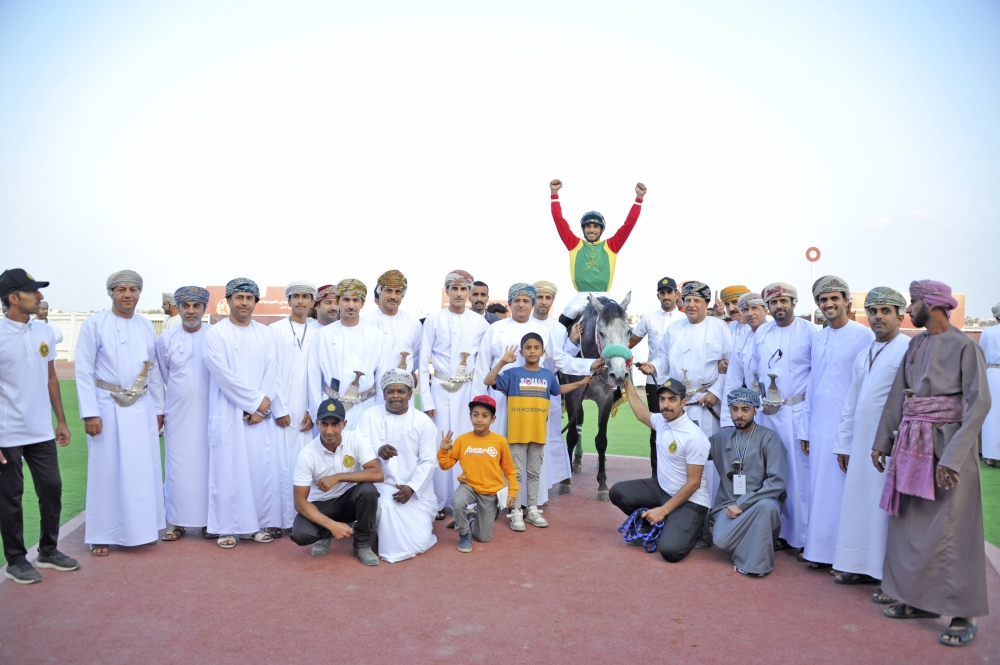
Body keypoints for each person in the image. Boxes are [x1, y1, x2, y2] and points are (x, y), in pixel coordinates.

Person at [872, 279, 991, 648]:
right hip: (911, 443)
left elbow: (979, 404)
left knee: (953, 531)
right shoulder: (916, 344)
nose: (909, 309)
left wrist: (953, 458)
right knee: (909, 524)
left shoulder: (963, 346)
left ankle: (962, 613)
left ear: (933, 304)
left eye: (913, 302)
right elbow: (898, 396)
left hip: (949, 448)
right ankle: (920, 602)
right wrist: (882, 441)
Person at [474, 283, 600, 510]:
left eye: (526, 301)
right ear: (509, 304)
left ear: (532, 304)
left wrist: (591, 364)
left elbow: (562, 361)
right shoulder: (496, 329)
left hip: (532, 404)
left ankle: (530, 502)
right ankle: (493, 499)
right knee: (497, 448)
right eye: (516, 300)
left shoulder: (545, 332)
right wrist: (479, 404)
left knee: (531, 453)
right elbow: (483, 368)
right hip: (500, 403)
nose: (521, 305)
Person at [636, 280, 732, 547]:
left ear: (706, 303)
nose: (690, 305)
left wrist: (718, 391)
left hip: (706, 404)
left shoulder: (719, 327)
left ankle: (705, 522)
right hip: (679, 406)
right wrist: (651, 366)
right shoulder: (675, 328)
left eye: (696, 301)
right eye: (687, 300)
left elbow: (729, 364)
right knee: (675, 460)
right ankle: (676, 513)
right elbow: (663, 359)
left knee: (707, 467)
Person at [76, 270, 165, 556]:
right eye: (121, 289)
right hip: (106, 406)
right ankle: (102, 534)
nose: (128, 295)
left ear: (139, 293)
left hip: (141, 408)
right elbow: (83, 370)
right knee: (106, 470)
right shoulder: (94, 324)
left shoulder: (145, 326)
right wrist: (90, 412)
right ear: (111, 293)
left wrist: (159, 410)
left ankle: (143, 530)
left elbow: (153, 371)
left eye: (133, 289)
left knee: (142, 469)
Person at [830, 287, 909, 596]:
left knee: (887, 509)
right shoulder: (865, 353)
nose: (878, 316)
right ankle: (862, 566)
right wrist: (844, 444)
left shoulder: (909, 350)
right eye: (873, 311)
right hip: (862, 443)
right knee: (860, 503)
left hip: (892, 442)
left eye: (886, 311)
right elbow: (852, 402)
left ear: (900, 316)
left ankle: (890, 576)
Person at [0, 269, 77, 583]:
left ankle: (48, 549)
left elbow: (50, 378)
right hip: (6, 432)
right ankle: (16, 560)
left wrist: (60, 420)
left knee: (52, 488)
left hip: (41, 430)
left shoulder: (43, 332)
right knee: (11, 497)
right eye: (34, 292)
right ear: (14, 298)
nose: (41, 297)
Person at [203, 278, 283, 548]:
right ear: (229, 301)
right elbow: (221, 374)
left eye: (249, 299)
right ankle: (225, 527)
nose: (244, 303)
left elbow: (272, 371)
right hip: (226, 411)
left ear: (255, 303)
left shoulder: (266, 333)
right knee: (226, 470)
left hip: (258, 416)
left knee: (258, 468)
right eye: (239, 298)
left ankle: (256, 526)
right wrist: (255, 402)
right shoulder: (215, 333)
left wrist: (262, 408)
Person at [801, 276, 874, 569]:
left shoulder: (864, 336)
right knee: (819, 487)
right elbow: (812, 383)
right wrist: (805, 428)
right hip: (819, 424)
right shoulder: (817, 337)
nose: (828, 304)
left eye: (834, 298)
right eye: (823, 299)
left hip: (849, 425)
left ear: (846, 301)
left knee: (844, 490)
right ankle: (818, 551)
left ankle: (845, 556)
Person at [484, 333, 592, 530]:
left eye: (536, 348)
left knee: (534, 473)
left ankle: (532, 508)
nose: (532, 351)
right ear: (521, 351)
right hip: (516, 434)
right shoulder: (512, 374)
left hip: (538, 434)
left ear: (543, 352)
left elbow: (558, 390)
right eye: (528, 347)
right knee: (515, 474)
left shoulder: (547, 375)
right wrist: (502, 362)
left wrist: (581, 382)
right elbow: (488, 380)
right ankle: (516, 510)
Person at [611, 376, 711, 563]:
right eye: (662, 399)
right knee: (617, 492)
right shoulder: (661, 421)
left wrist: (663, 511)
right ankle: (654, 522)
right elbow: (641, 412)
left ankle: (700, 528)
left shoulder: (694, 437)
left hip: (691, 500)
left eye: (672, 400)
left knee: (670, 551)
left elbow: (694, 483)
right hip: (662, 489)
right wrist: (625, 379)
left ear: (683, 402)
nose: (666, 404)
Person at [751, 283, 818, 553]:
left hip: (798, 412)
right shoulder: (762, 333)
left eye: (784, 301)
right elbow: (755, 372)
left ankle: (802, 538)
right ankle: (776, 531)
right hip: (768, 414)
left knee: (799, 476)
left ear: (794, 302)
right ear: (768, 307)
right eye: (774, 303)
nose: (779, 306)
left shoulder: (811, 332)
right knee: (771, 474)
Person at [420, 270, 492, 517]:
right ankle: (438, 502)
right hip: (439, 390)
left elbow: (483, 362)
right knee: (440, 443)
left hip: (467, 392)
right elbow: (422, 362)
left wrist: (478, 399)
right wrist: (426, 398)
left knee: (466, 443)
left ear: (469, 292)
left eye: (464, 290)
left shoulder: (480, 323)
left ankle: (465, 500)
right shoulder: (434, 320)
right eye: (454, 289)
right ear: (447, 291)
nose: (459, 294)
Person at [358, 368, 438, 563]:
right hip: (381, 486)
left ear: (410, 394)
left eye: (401, 391)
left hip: (415, 492)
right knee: (382, 505)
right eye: (390, 391)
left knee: (419, 541)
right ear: (383, 393)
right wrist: (378, 450)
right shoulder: (369, 416)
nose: (395, 396)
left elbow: (428, 461)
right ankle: (368, 537)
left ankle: (382, 536)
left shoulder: (423, 422)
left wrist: (411, 487)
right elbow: (360, 448)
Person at [290, 397, 382, 566]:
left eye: (335, 424)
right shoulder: (306, 454)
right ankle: (326, 533)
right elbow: (300, 502)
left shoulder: (355, 439)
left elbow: (377, 473)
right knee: (300, 535)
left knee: (368, 490)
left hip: (349, 501)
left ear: (344, 424)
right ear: (317, 424)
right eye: (324, 424)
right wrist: (331, 525)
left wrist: (338, 476)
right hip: (321, 504)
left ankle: (362, 545)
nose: (329, 430)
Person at [707, 388, 786, 576]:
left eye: (745, 409)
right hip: (727, 506)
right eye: (734, 409)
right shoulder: (721, 438)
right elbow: (694, 450)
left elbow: (777, 483)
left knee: (767, 507)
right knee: (721, 541)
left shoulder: (769, 439)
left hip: (759, 505)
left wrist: (742, 504)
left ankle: (755, 565)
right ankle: (757, 539)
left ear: (755, 410)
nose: (739, 415)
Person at [155, 286, 212, 542]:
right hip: (177, 412)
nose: (191, 311)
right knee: (177, 467)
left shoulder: (214, 336)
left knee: (209, 466)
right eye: (186, 306)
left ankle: (209, 521)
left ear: (204, 309)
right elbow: (161, 377)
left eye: (196, 306)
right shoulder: (166, 339)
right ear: (178, 308)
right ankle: (176, 522)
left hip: (210, 413)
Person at [549, 178, 647, 323]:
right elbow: (559, 220)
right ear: (583, 229)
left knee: (619, 322)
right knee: (568, 315)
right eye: (588, 226)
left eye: (595, 227)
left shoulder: (611, 246)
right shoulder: (574, 245)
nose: (591, 230)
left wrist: (639, 199)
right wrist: (554, 193)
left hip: (604, 296)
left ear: (601, 229)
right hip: (581, 297)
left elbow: (629, 224)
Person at [437, 395, 518, 552]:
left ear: (493, 419)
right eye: (475, 414)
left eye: (485, 415)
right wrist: (443, 450)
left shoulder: (500, 442)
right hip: (469, 485)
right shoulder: (462, 440)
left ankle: (469, 518)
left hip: (490, 491)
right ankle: (464, 532)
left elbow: (510, 469)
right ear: (470, 416)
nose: (479, 419)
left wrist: (512, 492)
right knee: (457, 501)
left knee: (482, 538)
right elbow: (445, 465)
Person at [307, 279, 390, 430]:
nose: (351, 305)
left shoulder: (376, 336)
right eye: (346, 300)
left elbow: (382, 377)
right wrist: (318, 413)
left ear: (362, 303)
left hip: (367, 408)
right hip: (331, 409)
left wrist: (378, 413)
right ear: (338, 302)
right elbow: (314, 377)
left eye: (355, 300)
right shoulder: (323, 335)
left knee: (364, 451)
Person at [272, 281, 322, 531]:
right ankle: (277, 520)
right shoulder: (274, 330)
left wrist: (313, 412)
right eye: (296, 296)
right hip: (280, 413)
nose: (301, 301)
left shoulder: (318, 333)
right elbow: (272, 372)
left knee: (304, 465)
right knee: (279, 463)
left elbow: (317, 376)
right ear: (288, 300)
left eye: (305, 296)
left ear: (313, 301)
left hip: (306, 414)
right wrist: (278, 408)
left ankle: (302, 517)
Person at [629, 277, 685, 474]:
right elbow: (629, 344)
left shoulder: (685, 319)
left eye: (669, 292)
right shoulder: (648, 318)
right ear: (658, 295)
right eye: (663, 292)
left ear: (676, 295)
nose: (666, 296)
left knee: (681, 427)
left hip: (680, 382)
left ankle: (679, 473)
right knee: (657, 429)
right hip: (654, 382)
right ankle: (657, 474)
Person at [531, 280, 581, 495]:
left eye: (548, 298)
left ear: (552, 301)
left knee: (549, 436)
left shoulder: (559, 328)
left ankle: (545, 484)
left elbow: (562, 359)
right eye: (540, 297)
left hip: (549, 389)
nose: (544, 302)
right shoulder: (524, 323)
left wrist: (572, 341)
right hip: (521, 391)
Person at [363, 270, 422, 407]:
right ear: (379, 292)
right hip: (373, 391)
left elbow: (417, 356)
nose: (393, 296)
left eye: (398, 292)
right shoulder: (365, 322)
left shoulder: (413, 323)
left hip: (403, 389)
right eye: (388, 291)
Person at [720, 291, 770, 427]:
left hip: (778, 410)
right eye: (746, 309)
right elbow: (732, 382)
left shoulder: (776, 334)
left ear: (765, 310)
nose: (750, 313)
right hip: (750, 410)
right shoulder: (742, 341)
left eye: (755, 308)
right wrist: (727, 421)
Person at [979, 301, 1000, 466]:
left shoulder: (988, 332)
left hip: (993, 373)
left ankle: (990, 456)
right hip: (993, 372)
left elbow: (981, 355)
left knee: (992, 415)